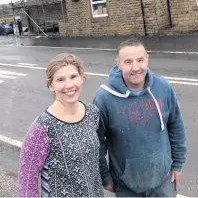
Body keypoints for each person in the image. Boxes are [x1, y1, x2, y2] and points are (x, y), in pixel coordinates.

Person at [93, 38, 186, 197]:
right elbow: (97, 142)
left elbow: (176, 126)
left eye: (140, 60)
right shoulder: (104, 98)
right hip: (126, 186)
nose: (136, 67)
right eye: (128, 62)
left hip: (163, 181)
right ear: (119, 64)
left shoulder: (163, 87)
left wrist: (177, 165)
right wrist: (105, 176)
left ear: (147, 60)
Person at [18, 53, 104, 197]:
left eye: (73, 77)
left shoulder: (92, 113)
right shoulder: (42, 128)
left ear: (81, 77)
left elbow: (96, 158)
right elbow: (27, 183)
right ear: (51, 85)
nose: (69, 85)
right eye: (60, 79)